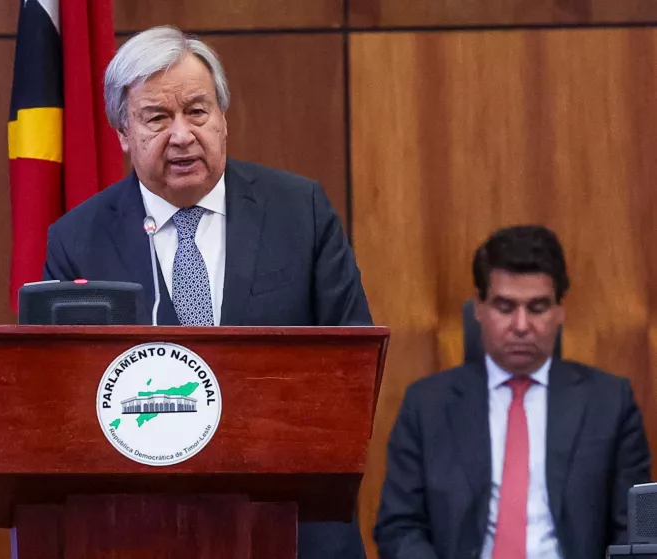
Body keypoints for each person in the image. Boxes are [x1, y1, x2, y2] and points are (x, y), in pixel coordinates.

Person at [43, 25, 371, 558]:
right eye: (156, 118)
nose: (181, 135)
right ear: (123, 132)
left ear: (222, 117)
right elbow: (58, 397)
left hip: (293, 525)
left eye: (197, 111)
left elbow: (353, 367)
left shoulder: (300, 212)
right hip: (139, 528)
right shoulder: (79, 239)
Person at [374, 225, 651, 559]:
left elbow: (636, 533)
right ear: (479, 308)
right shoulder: (427, 406)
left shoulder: (610, 403)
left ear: (560, 310)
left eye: (537, 308)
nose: (521, 326)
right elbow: (399, 527)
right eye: (505, 307)